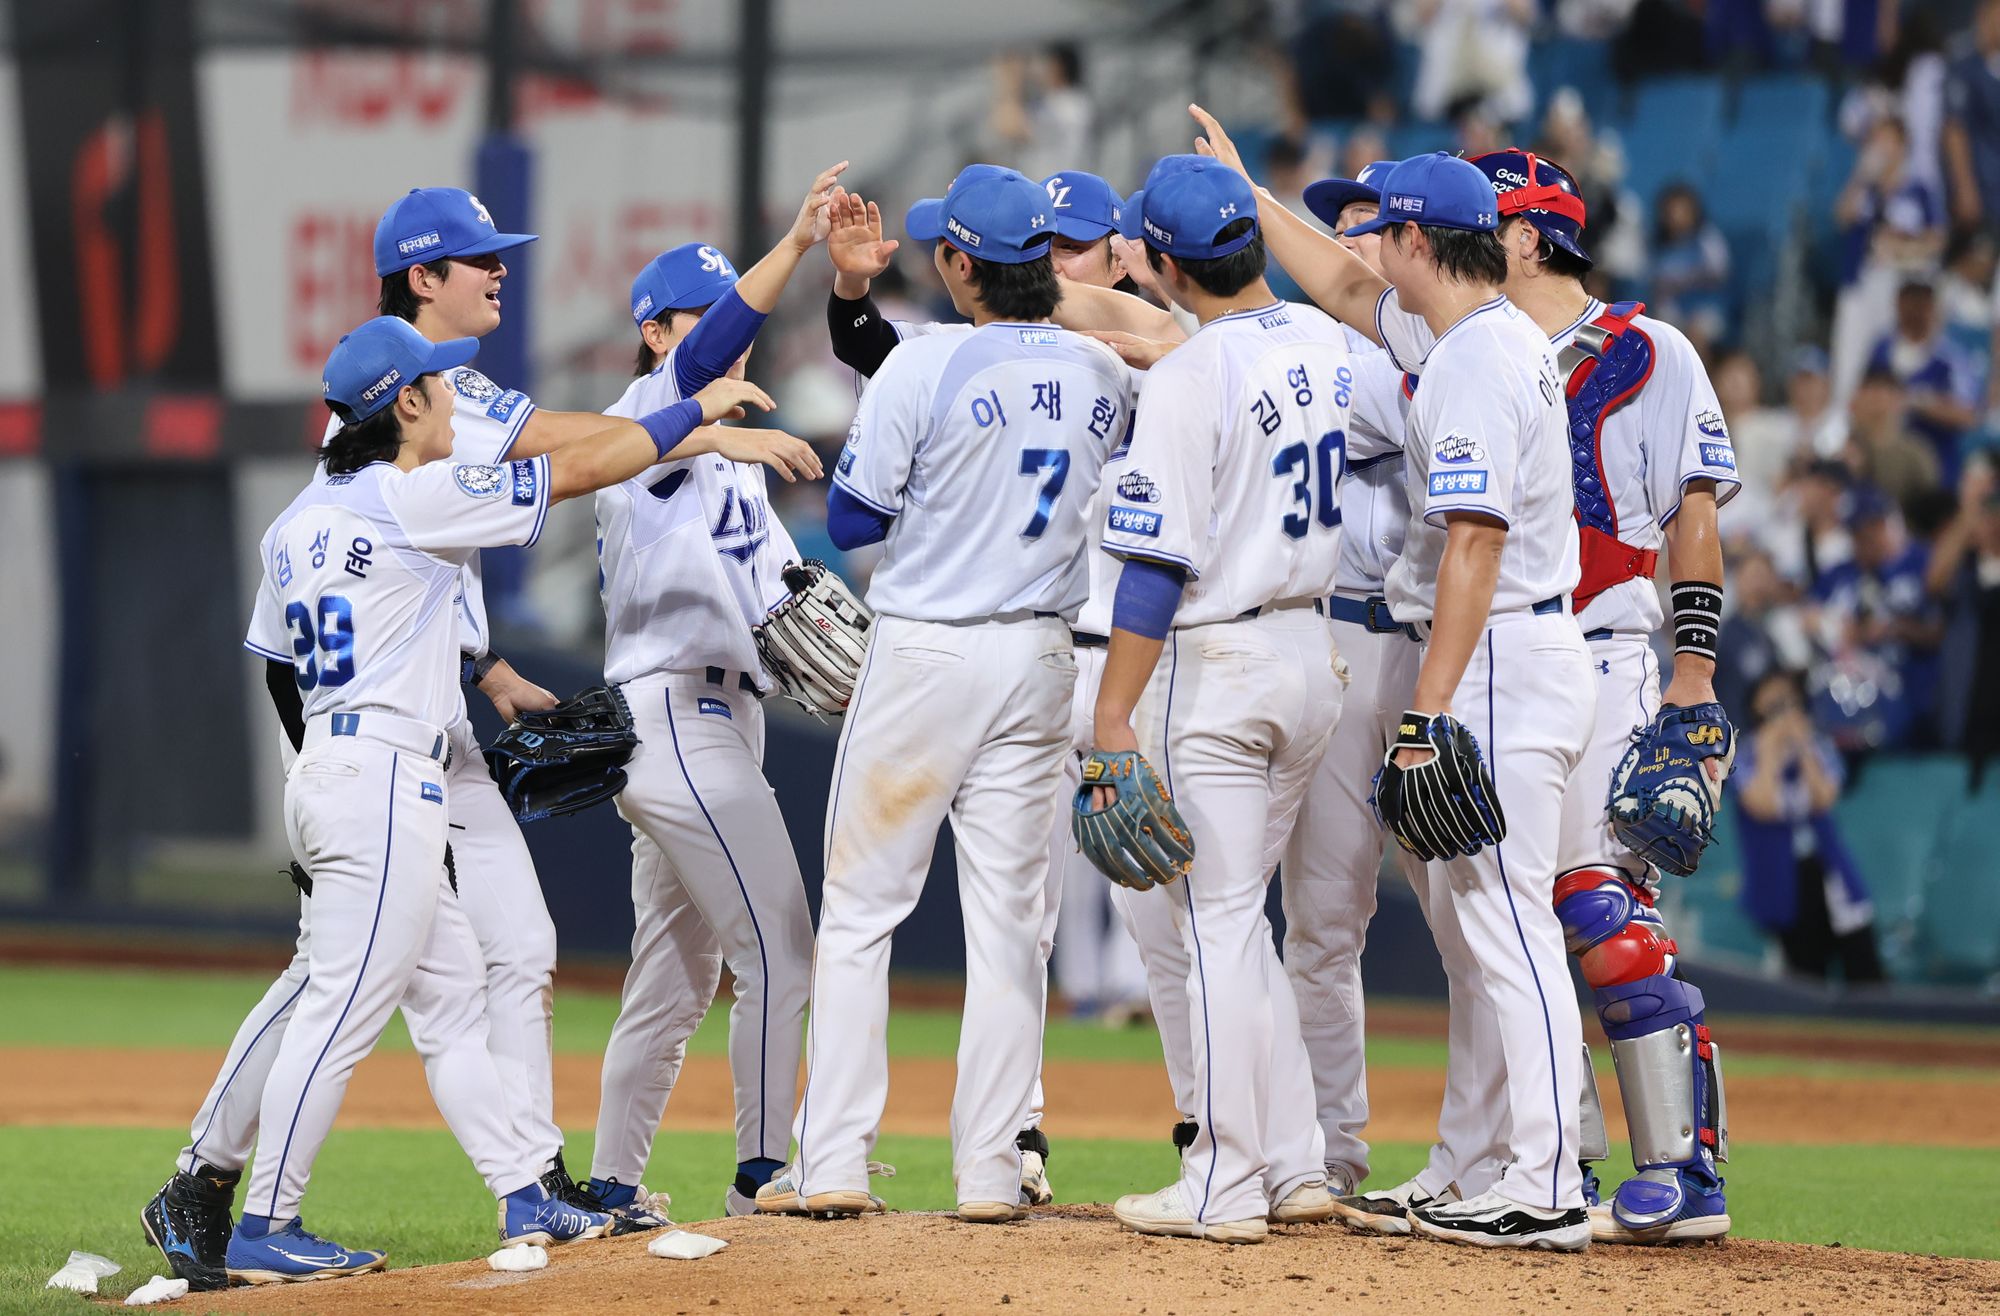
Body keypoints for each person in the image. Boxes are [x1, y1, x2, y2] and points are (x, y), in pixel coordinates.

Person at [223, 315, 771, 1281]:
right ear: (406, 403)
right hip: (386, 772)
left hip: (331, 766)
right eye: (436, 384)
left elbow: (275, 671)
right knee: (344, 1009)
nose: (450, 397)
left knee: (449, 1002)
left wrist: (330, 783)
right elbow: (579, 470)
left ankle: (526, 1189)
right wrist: (696, 409)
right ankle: (266, 1218)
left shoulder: (292, 523)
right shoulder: (413, 496)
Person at [1189, 112, 1598, 1247]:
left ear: (1416, 240)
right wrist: (1249, 194)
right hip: (1510, 649)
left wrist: (1423, 710)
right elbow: (1335, 284)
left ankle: (1549, 1177)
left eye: (1386, 236)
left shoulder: (1469, 360)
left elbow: (1471, 544)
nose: (1369, 254)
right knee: (1483, 923)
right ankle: (1488, 1161)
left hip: (1499, 652)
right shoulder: (1476, 333)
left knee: (1507, 923)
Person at [762, 164, 1135, 1224]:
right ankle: (986, 1174)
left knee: (862, 914)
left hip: (926, 650)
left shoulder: (922, 363)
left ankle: (831, 1161)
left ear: (961, 264)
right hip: (1040, 659)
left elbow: (853, 522)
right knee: (1013, 926)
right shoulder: (1104, 369)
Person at [1470, 149, 1742, 1244]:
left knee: (1597, 906)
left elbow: (1695, 517)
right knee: (1516, 912)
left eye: (1474, 220)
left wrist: (1693, 673)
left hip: (1614, 650)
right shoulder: (1469, 346)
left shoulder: (1649, 348)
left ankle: (1684, 1170)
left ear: (1526, 234)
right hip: (1510, 654)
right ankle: (1557, 1158)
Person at [1087, 155, 1349, 1246]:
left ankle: (1223, 1179)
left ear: (1158, 261)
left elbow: (1152, 569)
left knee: (1215, 926)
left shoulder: (1191, 373)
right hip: (1313, 649)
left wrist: (1109, 720)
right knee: (1244, 927)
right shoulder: (1327, 340)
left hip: (1222, 663)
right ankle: (1293, 1164)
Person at [582, 172, 843, 1227]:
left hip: (716, 717)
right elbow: (700, 369)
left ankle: (605, 1183)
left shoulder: (728, 460)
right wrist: (793, 243)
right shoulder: (644, 416)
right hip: (676, 717)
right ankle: (761, 1174)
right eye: (700, 317)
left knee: (674, 974)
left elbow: (795, 605)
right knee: (780, 946)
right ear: (654, 334)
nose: (724, 336)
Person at [1734, 668, 1885, 982]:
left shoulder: (1817, 746)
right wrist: (1770, 752)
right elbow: (1761, 804)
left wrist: (1803, 747)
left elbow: (1824, 798)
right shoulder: (1745, 753)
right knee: (1806, 977)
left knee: (1865, 970)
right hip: (1782, 878)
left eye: (1788, 700)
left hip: (1829, 872)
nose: (1783, 710)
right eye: (1773, 703)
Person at [1866, 279, 1981, 481]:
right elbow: (1862, 396)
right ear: (1898, 303)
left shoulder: (1950, 357)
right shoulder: (1882, 348)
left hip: (1935, 462)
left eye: (1922, 303)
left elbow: (1967, 415)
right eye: (1910, 301)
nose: (1914, 310)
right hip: (1883, 461)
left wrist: (1920, 402)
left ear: (1933, 308)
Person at [1646, 182, 1732, 355]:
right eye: (1672, 211)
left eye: (1682, 211)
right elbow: (1651, 281)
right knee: (1662, 331)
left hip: (1705, 304)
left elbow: (1720, 274)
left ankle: (1701, 377)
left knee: (1699, 329)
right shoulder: (1656, 245)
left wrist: (1687, 281)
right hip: (1670, 307)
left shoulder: (1707, 239)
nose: (1677, 217)